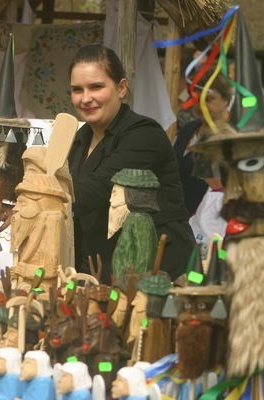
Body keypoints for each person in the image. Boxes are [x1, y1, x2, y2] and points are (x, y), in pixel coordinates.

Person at [67, 44, 193, 282]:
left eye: (96, 87)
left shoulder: (144, 134)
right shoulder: (79, 139)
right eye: (77, 90)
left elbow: (96, 189)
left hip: (157, 273)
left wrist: (42, 195)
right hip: (100, 272)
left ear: (122, 88)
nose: (85, 98)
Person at [173, 74, 232, 215]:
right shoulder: (189, 128)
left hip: (213, 220)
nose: (203, 105)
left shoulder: (234, 135)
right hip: (179, 215)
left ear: (226, 100)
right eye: (199, 99)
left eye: (210, 99)